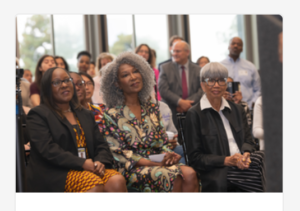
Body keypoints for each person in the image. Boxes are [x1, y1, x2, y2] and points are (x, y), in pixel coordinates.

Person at [100, 52, 199, 192]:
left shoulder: (152, 108)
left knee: (190, 173)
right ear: (117, 84)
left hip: (158, 163)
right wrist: (152, 163)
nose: (133, 77)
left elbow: (163, 143)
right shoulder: (112, 115)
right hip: (132, 170)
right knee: (174, 176)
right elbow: (120, 154)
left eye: (135, 71)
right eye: (125, 75)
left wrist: (168, 155)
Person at [26, 66, 127, 192]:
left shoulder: (85, 114)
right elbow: (48, 150)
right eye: (57, 82)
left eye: (67, 80)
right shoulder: (39, 114)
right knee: (94, 184)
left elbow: (101, 144)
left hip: (88, 167)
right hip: (56, 172)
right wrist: (82, 163)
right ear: (48, 88)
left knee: (117, 180)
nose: (64, 85)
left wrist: (100, 161)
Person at [185, 62, 265, 192]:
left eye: (221, 80)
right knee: (263, 175)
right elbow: (195, 158)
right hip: (218, 171)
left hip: (243, 164)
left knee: (264, 157)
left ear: (226, 85)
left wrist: (245, 154)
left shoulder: (237, 109)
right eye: (211, 80)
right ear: (203, 85)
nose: (216, 85)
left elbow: (249, 141)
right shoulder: (194, 114)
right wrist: (227, 160)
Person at [158, 40, 203, 129]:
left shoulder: (198, 69)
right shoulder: (165, 68)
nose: (174, 54)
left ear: (187, 52)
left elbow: (202, 89)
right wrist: (180, 102)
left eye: (177, 51)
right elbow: (163, 89)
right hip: (172, 111)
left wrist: (186, 104)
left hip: (193, 109)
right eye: (173, 51)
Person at [220, 37, 261, 109]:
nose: (235, 46)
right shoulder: (220, 66)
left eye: (238, 44)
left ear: (242, 49)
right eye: (233, 43)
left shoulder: (250, 66)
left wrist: (253, 103)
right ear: (228, 46)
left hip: (247, 108)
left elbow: (258, 88)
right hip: (225, 108)